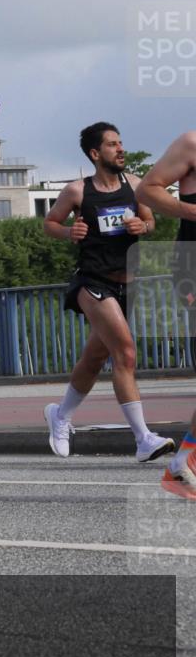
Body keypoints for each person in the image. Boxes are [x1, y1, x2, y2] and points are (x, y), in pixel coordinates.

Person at [42, 122, 174, 462]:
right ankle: (143, 439)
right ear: (95, 153)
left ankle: (60, 414)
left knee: (95, 357)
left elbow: (150, 221)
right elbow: (50, 223)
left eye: (121, 142)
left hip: (126, 283)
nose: (121, 149)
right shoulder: (77, 192)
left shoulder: (135, 184)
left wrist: (142, 225)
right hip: (92, 282)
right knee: (125, 353)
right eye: (113, 144)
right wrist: (70, 231)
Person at [137, 131, 196, 499]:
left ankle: (184, 463)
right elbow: (148, 189)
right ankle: (183, 464)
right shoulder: (191, 142)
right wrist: (191, 210)